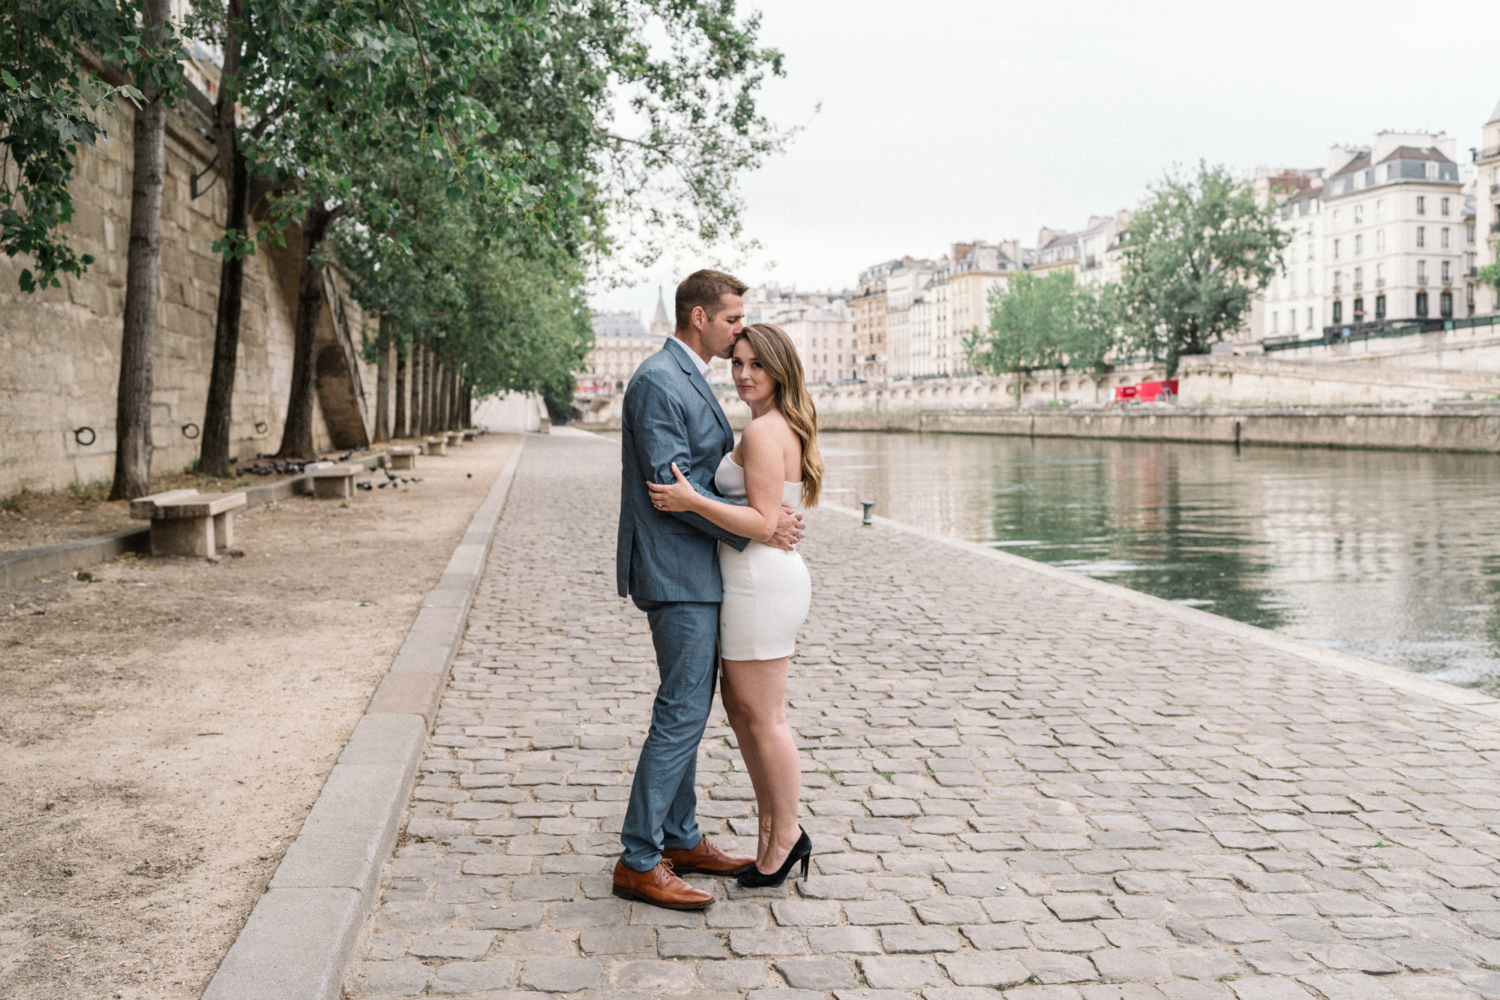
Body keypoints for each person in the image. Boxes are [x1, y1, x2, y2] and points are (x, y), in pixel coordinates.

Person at [614, 271, 805, 910]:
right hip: (677, 571)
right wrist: (758, 525)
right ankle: (641, 858)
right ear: (699, 317)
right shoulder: (659, 381)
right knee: (682, 710)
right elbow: (669, 489)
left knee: (689, 708)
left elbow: (706, 483)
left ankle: (680, 836)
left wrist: (760, 515)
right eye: (731, 322)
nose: (738, 332)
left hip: (702, 568)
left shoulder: (686, 376)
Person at [648, 322, 822, 888]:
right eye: (738, 363)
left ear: (780, 370)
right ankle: (771, 835)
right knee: (747, 714)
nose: (744, 375)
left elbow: (764, 522)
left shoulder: (769, 432)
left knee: (764, 718)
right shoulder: (768, 426)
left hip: (760, 584)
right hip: (753, 578)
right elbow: (766, 516)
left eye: (756, 366)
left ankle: (787, 836)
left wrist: (690, 499)